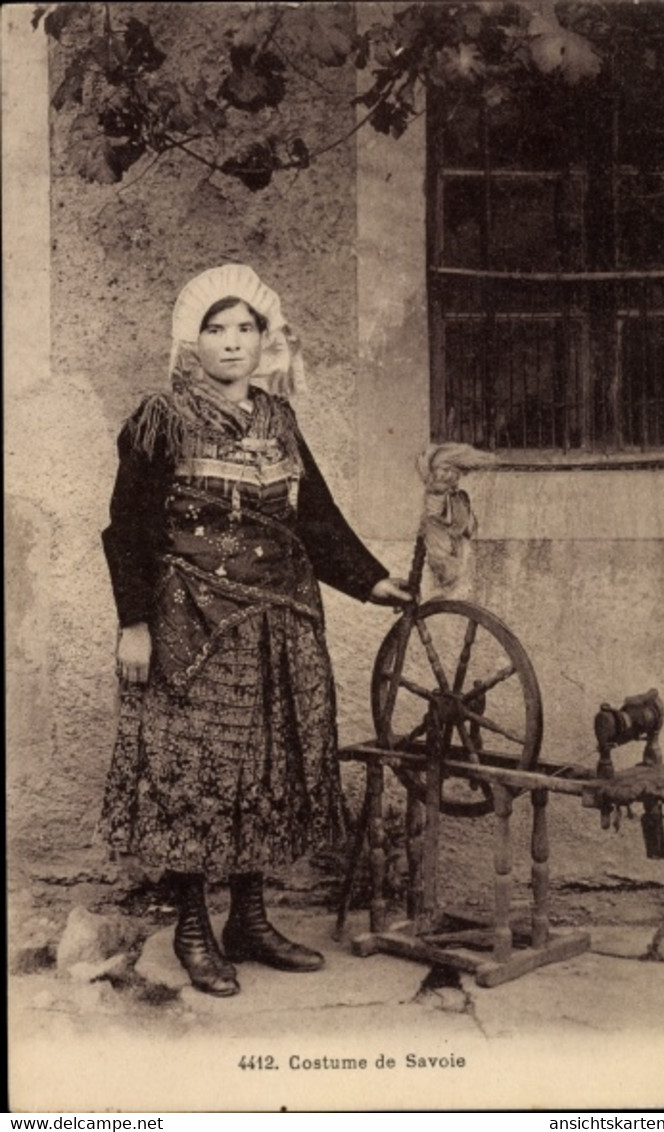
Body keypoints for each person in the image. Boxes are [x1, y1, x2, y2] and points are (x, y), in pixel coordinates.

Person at [100, 264, 410, 997]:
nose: (232, 343)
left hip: (281, 619)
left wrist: (371, 581)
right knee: (197, 773)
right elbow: (128, 530)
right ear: (191, 340)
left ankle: (249, 918)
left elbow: (316, 518)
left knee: (266, 767)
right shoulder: (160, 419)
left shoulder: (279, 419)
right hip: (191, 625)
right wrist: (134, 624)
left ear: (265, 339)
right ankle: (192, 930)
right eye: (216, 329)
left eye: (245, 329)